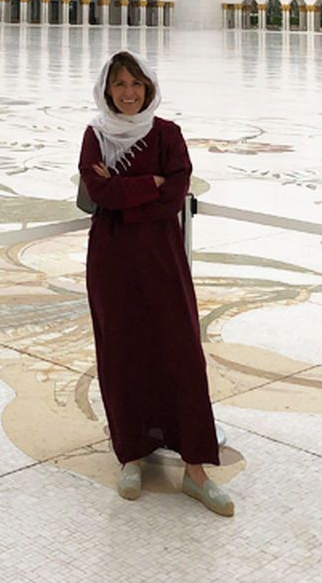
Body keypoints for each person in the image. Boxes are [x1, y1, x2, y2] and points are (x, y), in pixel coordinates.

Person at [79, 50, 234, 517]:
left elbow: (175, 195)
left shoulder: (168, 134)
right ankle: (131, 455)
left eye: (136, 85)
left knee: (179, 352)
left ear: (148, 88)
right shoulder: (96, 136)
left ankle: (196, 469)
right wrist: (149, 183)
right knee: (122, 352)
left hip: (162, 260)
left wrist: (128, 194)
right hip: (112, 261)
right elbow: (98, 192)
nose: (128, 93)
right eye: (119, 84)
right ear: (107, 89)